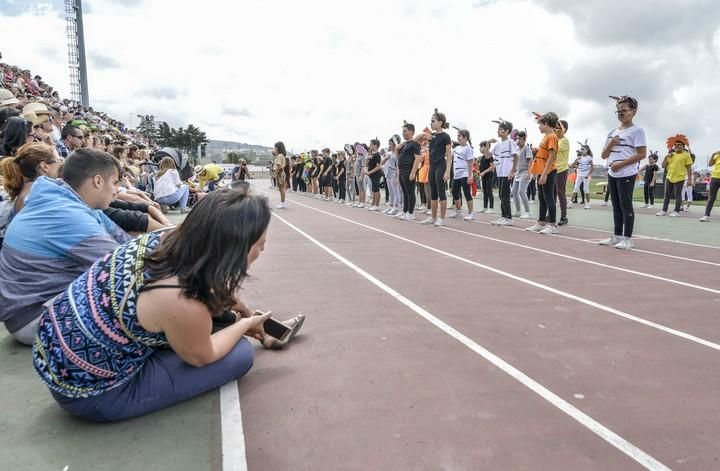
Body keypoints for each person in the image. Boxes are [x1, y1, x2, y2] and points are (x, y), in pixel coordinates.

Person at [32, 187, 305, 422]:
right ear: (233, 251)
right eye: (260, 244)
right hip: (93, 394)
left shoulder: (168, 239)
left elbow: (207, 286)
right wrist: (245, 323)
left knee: (209, 314)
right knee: (240, 354)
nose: (264, 250)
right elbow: (202, 356)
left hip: (59, 356)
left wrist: (237, 307)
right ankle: (256, 334)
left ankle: (244, 329)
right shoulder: (179, 297)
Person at [0, 148, 130, 344]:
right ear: (98, 181)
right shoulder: (65, 213)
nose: (115, 191)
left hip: (40, 305)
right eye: (114, 182)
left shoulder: (69, 201)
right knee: (139, 296)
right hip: (35, 318)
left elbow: (127, 243)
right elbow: (124, 268)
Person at [598, 96, 646, 249]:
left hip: (627, 173)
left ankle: (628, 238)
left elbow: (641, 154)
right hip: (613, 174)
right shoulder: (612, 132)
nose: (620, 113)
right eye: (618, 111)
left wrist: (620, 165)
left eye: (624, 110)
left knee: (625, 205)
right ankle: (617, 235)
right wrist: (611, 143)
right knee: (616, 205)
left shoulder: (637, 131)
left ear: (633, 111)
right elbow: (603, 155)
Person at [0, 142, 61, 217]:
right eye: (57, 161)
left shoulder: (25, 191)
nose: (59, 165)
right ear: (44, 166)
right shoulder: (39, 195)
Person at [417, 109, 451, 227]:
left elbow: (449, 155)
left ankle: (442, 218)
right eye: (431, 121)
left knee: (441, 192)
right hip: (432, 167)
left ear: (440, 122)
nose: (431, 123)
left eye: (433, 121)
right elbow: (415, 140)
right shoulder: (431, 137)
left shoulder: (446, 137)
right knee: (433, 193)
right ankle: (433, 217)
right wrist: (423, 135)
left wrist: (447, 171)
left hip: (441, 166)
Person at [526, 112, 560, 234]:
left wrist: (545, 174)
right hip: (541, 170)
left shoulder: (552, 137)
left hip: (548, 171)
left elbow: (552, 156)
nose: (539, 127)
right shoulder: (546, 137)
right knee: (541, 197)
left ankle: (552, 225)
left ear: (546, 124)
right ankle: (541, 222)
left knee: (548, 197)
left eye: (540, 124)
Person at [484, 119, 518, 226]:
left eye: (501, 129)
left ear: (507, 131)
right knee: (500, 194)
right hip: (499, 173)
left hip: (506, 173)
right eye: (498, 129)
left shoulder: (510, 142)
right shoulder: (498, 145)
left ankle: (508, 218)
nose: (499, 131)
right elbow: (487, 156)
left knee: (505, 195)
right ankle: (504, 216)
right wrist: (488, 143)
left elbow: (516, 156)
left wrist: (512, 171)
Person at [657, 135, 693, 217]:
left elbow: (689, 168)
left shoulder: (686, 155)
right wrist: (666, 157)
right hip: (669, 177)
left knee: (678, 194)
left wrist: (690, 180)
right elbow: (663, 166)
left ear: (683, 146)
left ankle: (676, 211)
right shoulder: (671, 155)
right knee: (666, 194)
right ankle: (663, 210)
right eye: (675, 145)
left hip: (679, 178)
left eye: (679, 145)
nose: (676, 146)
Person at [396, 122, 422, 221]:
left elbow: (418, 158)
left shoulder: (415, 144)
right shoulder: (404, 144)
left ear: (411, 132)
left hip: (408, 171)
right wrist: (397, 150)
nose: (403, 133)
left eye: (405, 131)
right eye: (402, 131)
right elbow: (398, 159)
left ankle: (410, 213)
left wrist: (413, 172)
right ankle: (405, 211)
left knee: (410, 192)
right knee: (405, 192)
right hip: (402, 171)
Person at [449, 128, 475, 220]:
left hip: (464, 174)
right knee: (454, 192)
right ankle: (458, 211)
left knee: (467, 193)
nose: (458, 138)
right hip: (456, 175)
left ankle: (471, 213)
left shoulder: (468, 149)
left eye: (459, 136)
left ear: (465, 137)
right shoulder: (456, 148)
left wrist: (470, 176)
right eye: (458, 136)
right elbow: (448, 155)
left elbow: (470, 163)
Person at [511, 131, 533, 219]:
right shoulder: (516, 149)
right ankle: (518, 211)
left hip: (525, 173)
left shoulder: (527, 148)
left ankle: (528, 212)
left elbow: (530, 161)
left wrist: (529, 172)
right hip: (518, 173)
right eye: (517, 138)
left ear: (524, 139)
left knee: (521, 191)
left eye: (519, 139)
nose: (518, 140)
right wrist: (513, 172)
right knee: (513, 192)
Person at [554, 120, 570, 225]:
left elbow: (554, 148)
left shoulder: (564, 141)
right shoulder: (554, 139)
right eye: (554, 127)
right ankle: (550, 215)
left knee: (560, 193)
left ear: (563, 130)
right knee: (552, 194)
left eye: (557, 127)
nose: (555, 129)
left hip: (561, 170)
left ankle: (564, 216)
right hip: (553, 169)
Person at [571, 143, 594, 210]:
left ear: (587, 150)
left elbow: (592, 167)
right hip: (579, 175)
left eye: (583, 149)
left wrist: (588, 175)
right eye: (581, 149)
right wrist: (576, 159)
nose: (581, 150)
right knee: (575, 189)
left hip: (585, 176)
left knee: (585, 189)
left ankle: (588, 204)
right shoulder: (579, 157)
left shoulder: (589, 158)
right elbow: (572, 166)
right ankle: (570, 203)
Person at [700, 151, 720, 222]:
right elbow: (710, 164)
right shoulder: (717, 155)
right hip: (714, 178)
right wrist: (713, 154)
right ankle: (706, 216)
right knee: (711, 197)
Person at [478, 140, 495, 213]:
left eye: (481, 147)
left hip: (489, 176)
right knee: (484, 192)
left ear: (486, 147)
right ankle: (485, 207)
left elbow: (492, 167)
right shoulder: (482, 157)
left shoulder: (489, 156)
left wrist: (484, 172)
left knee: (489, 192)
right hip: (483, 177)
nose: (480, 148)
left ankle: (491, 208)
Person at [366, 139, 383, 211]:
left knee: (376, 189)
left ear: (375, 145)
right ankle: (373, 204)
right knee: (373, 189)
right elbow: (366, 164)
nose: (370, 146)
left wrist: (370, 172)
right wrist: (368, 158)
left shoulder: (377, 155)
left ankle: (377, 205)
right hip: (372, 175)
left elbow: (378, 166)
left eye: (371, 144)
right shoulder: (371, 154)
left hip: (376, 174)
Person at [273, 141, 288, 209]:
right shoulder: (281, 155)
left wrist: (275, 174)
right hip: (281, 172)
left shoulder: (279, 156)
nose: (274, 149)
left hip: (280, 173)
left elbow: (278, 165)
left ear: (278, 148)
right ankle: (282, 203)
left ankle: (282, 203)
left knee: (281, 188)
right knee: (281, 188)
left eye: (275, 147)